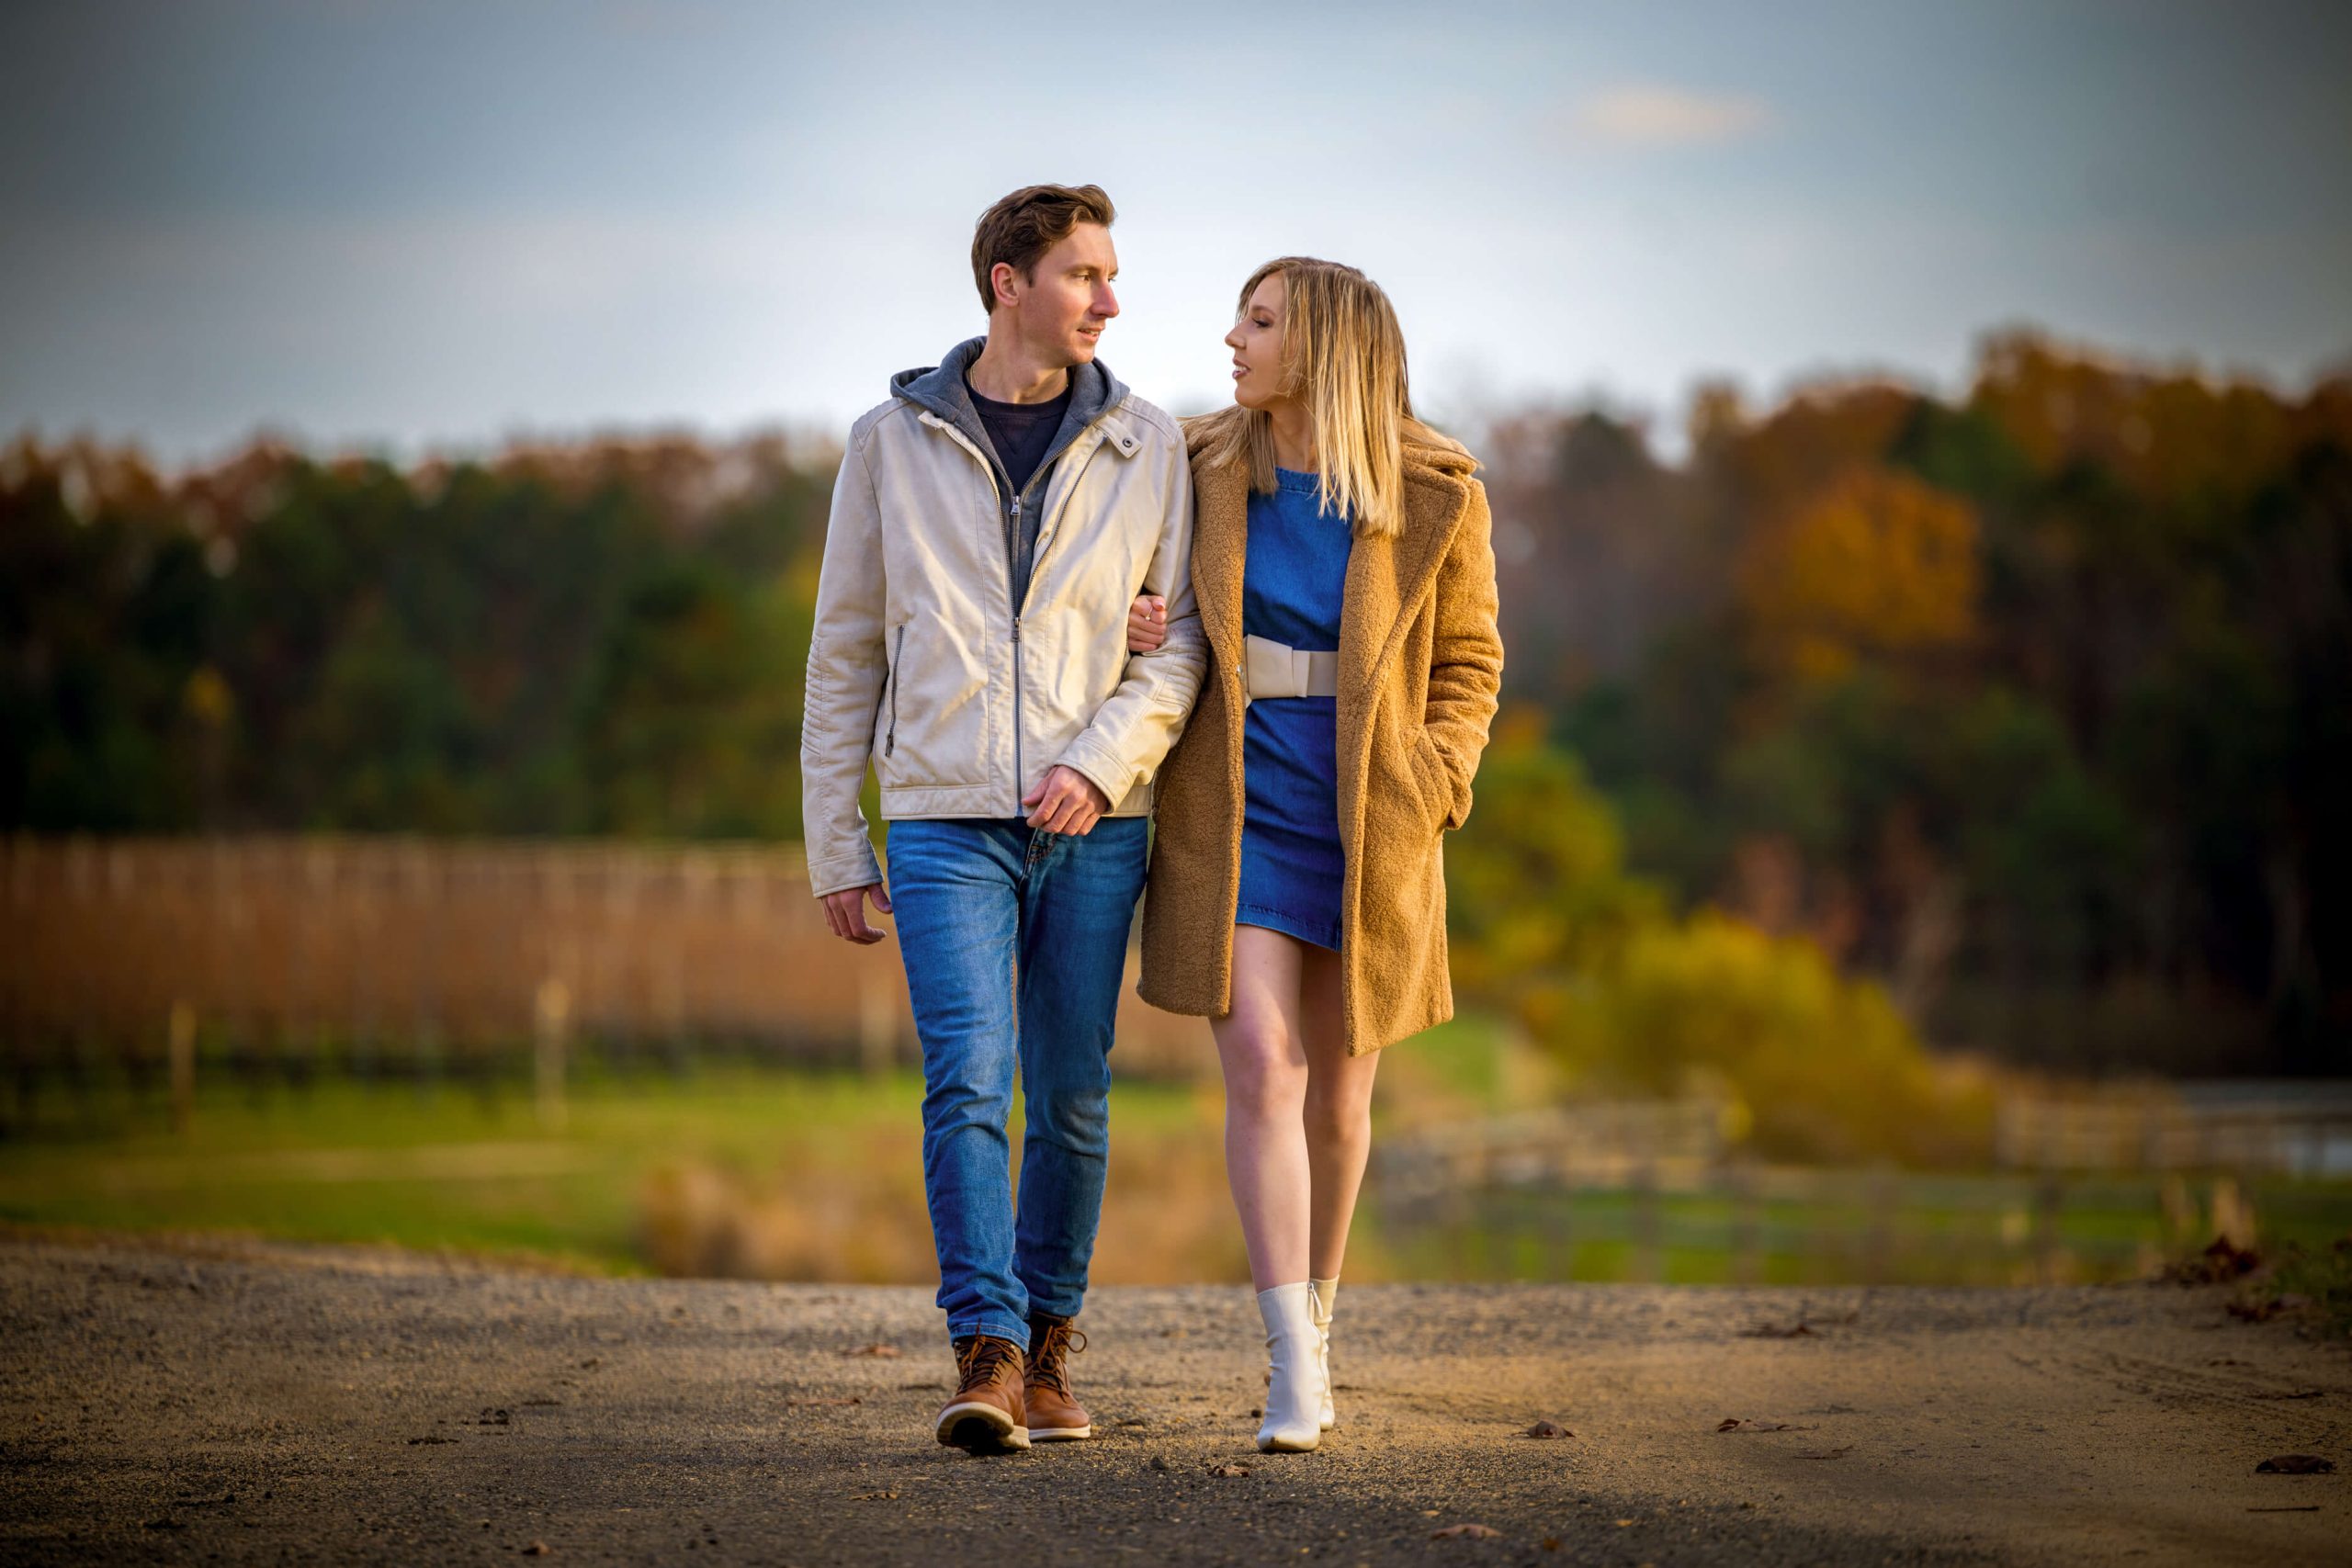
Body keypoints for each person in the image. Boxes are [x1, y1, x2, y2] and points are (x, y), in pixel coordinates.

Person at [800, 183, 1204, 1453]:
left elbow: (1176, 643)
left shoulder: (1148, 444)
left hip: (1096, 826)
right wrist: (836, 841)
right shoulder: (889, 443)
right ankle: (986, 1350)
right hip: (941, 820)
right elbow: (844, 652)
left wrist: (1101, 765)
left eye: (1110, 274)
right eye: (1084, 273)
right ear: (1006, 283)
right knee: (969, 1080)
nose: (1109, 298)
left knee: (1072, 1096)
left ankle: (1052, 1348)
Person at [1129, 256, 1503, 1452]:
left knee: (1342, 1096)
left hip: (1370, 818)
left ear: (1325, 346)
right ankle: (1292, 1360)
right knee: (1264, 1068)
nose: (1231, 337)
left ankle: (1323, 1321)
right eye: (1241, 315)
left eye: (1260, 319)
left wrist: (1436, 783)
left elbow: (1470, 666)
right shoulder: (1195, 465)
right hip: (1233, 809)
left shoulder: (1438, 486)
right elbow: (1141, 595)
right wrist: (1140, 620)